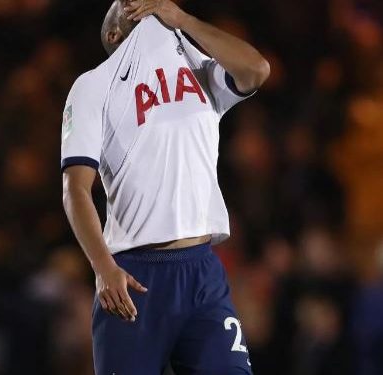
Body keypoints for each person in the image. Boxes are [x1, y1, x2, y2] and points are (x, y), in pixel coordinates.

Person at [60, 0, 269, 374]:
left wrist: (184, 19)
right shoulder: (94, 85)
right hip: (134, 276)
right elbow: (75, 189)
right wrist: (102, 267)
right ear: (113, 33)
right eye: (127, 5)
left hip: (202, 270)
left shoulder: (201, 71)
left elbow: (257, 69)